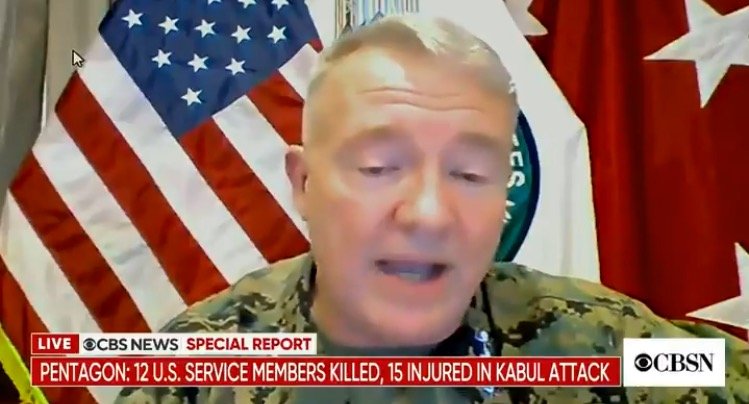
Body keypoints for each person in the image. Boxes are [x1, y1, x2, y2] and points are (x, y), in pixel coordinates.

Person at [115, 15, 749, 404]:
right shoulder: (195, 372)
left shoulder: (605, 344)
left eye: (470, 174)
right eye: (379, 167)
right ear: (304, 185)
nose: (429, 213)